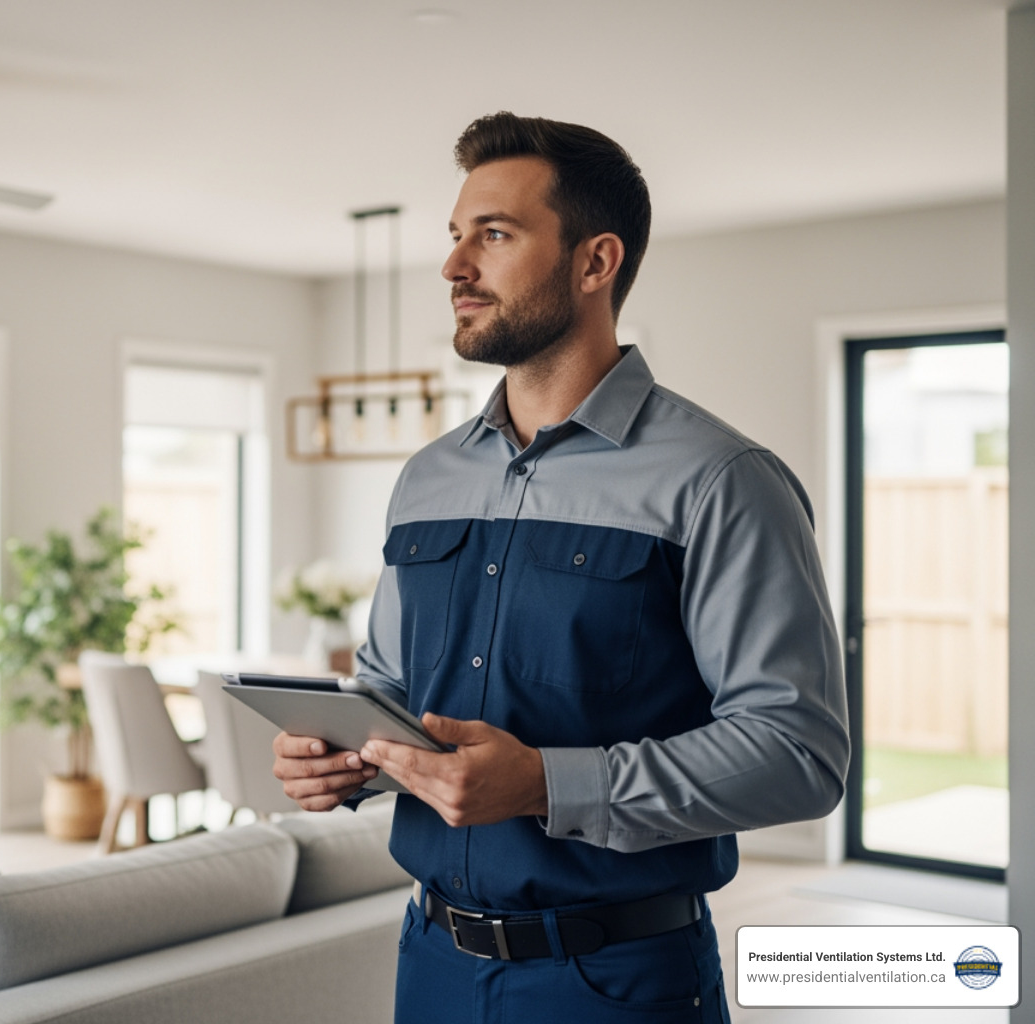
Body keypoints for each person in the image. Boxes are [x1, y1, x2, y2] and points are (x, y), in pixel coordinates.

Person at [272, 113, 849, 1022]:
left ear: (595, 262)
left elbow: (799, 754)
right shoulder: (427, 479)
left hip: (615, 982)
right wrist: (351, 757)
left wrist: (547, 782)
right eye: (456, 236)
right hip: (430, 962)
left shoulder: (721, 481)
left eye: (493, 235)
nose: (454, 267)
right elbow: (391, 691)